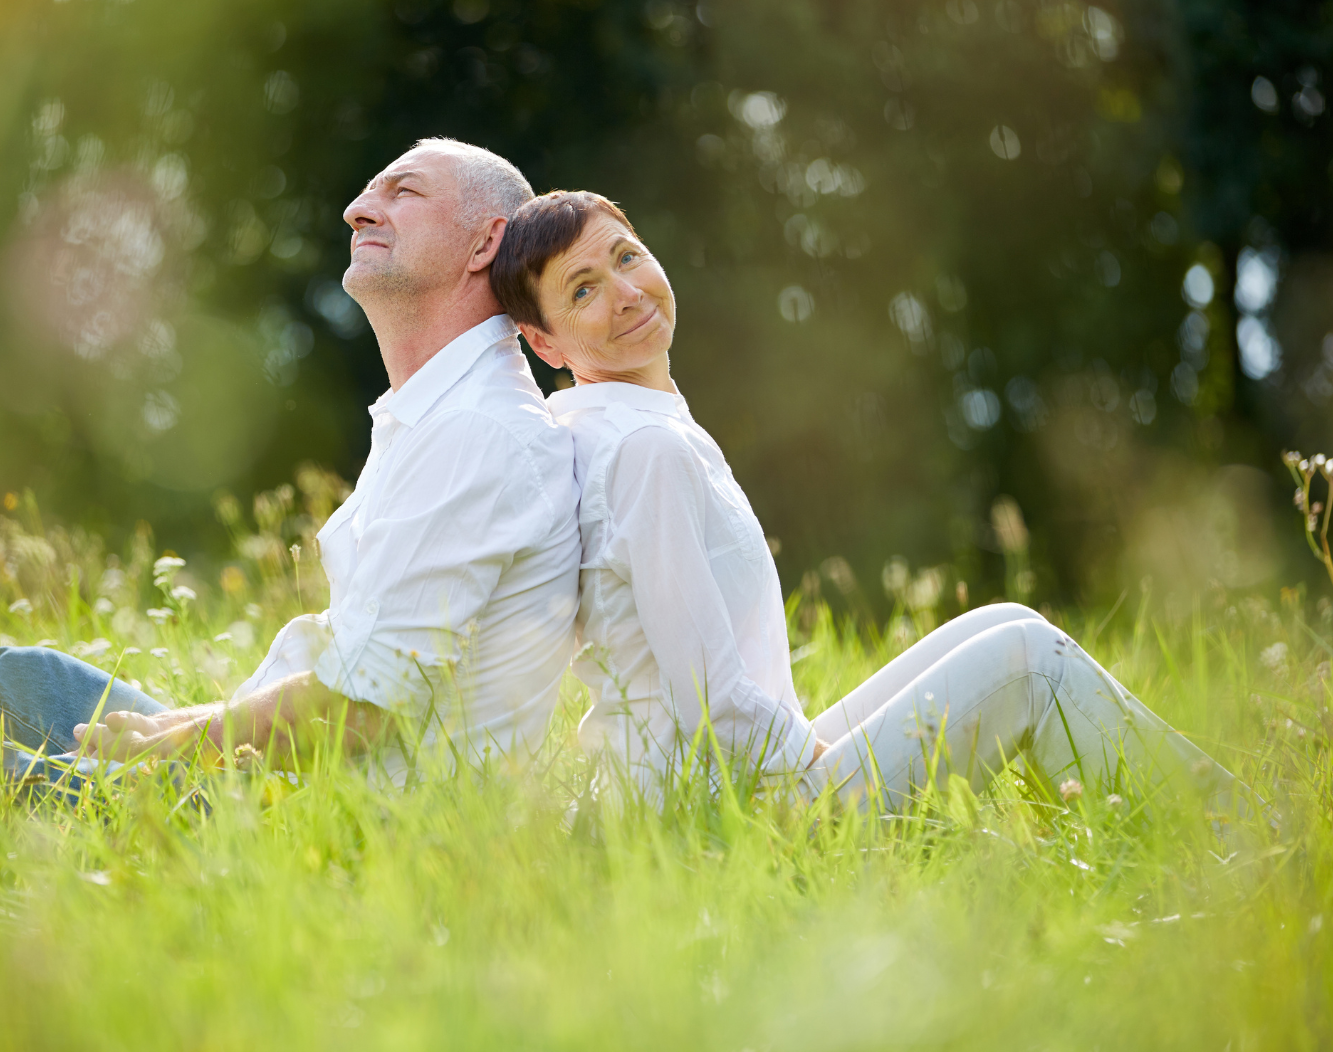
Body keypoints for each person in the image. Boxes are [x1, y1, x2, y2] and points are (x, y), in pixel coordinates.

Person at [0, 140, 581, 789]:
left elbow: (362, 711)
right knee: (16, 678)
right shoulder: (433, 416)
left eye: (403, 192)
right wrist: (177, 731)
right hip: (276, 774)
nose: (358, 207)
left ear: (487, 242)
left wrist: (168, 747)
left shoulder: (485, 435)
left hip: (339, 818)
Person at [489, 189, 1238, 812]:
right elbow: (713, 707)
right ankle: (1243, 840)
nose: (625, 293)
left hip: (731, 782)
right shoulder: (643, 453)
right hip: (731, 815)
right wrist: (833, 766)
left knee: (1006, 620)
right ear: (545, 344)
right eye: (582, 290)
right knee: (1027, 661)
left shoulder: (629, 429)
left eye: (626, 256)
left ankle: (1114, 815)